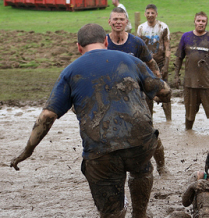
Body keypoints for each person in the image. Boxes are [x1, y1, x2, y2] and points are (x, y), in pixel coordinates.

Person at [10, 23, 171, 217]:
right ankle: (140, 213)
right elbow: (163, 91)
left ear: (78, 47)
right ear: (105, 42)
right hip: (140, 142)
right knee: (142, 170)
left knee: (112, 212)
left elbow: (47, 116)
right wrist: (161, 95)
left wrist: (27, 151)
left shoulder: (70, 72)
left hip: (100, 149)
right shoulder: (130, 60)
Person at [108, 7, 170, 176]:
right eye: (115, 19)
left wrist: (159, 87)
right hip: (112, 99)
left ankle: (162, 166)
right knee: (112, 133)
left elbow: (151, 64)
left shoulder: (136, 43)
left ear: (126, 22)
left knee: (147, 132)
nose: (118, 22)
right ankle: (117, 169)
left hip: (138, 97)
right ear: (110, 22)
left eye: (122, 19)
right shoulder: (104, 43)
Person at [174, 11, 209, 132]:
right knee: (189, 112)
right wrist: (176, 76)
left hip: (208, 82)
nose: (200, 23)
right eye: (198, 20)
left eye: (203, 21)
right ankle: (188, 132)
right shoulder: (186, 37)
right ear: (194, 22)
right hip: (190, 82)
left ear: (206, 23)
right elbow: (179, 58)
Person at [137, 4, 172, 121]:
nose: (150, 15)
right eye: (148, 13)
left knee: (165, 93)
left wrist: (166, 66)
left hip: (160, 63)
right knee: (147, 94)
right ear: (145, 14)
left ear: (156, 14)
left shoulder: (163, 27)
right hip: (146, 65)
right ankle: (149, 120)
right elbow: (139, 48)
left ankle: (169, 120)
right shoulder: (141, 28)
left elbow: (167, 47)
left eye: (152, 13)